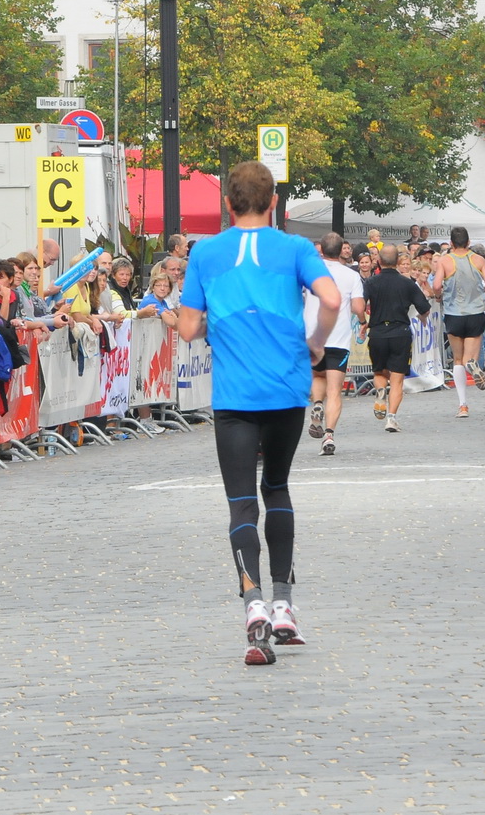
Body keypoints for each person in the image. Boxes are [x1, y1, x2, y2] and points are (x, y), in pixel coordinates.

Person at [177, 160, 341, 667]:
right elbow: (332, 299)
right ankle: (286, 604)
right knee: (278, 487)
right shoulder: (293, 248)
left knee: (242, 501)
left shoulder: (205, 252)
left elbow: (186, 329)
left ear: (228, 203)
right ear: (274, 203)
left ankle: (254, 606)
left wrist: (222, 326)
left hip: (236, 396)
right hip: (287, 388)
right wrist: (313, 342)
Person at [305, 232, 366, 456]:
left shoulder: (311, 272)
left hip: (313, 337)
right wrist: (362, 322)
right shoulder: (351, 276)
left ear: (321, 248)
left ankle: (317, 404)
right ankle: (329, 435)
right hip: (338, 339)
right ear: (342, 250)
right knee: (335, 390)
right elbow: (359, 308)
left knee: (317, 377)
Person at [429, 226, 485, 418]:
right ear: (468, 242)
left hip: (453, 313)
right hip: (475, 312)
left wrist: (439, 295)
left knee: (457, 359)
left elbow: (436, 285)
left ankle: (462, 405)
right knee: (470, 357)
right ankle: (473, 364)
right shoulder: (478, 259)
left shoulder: (445, 260)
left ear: (451, 243)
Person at [363, 244, 430, 433]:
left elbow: (361, 303)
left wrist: (362, 322)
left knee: (379, 373)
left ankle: (380, 392)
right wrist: (424, 319)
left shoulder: (371, 282)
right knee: (398, 379)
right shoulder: (407, 283)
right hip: (400, 331)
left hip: (377, 332)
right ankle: (391, 418)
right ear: (397, 262)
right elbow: (424, 307)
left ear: (378, 261)